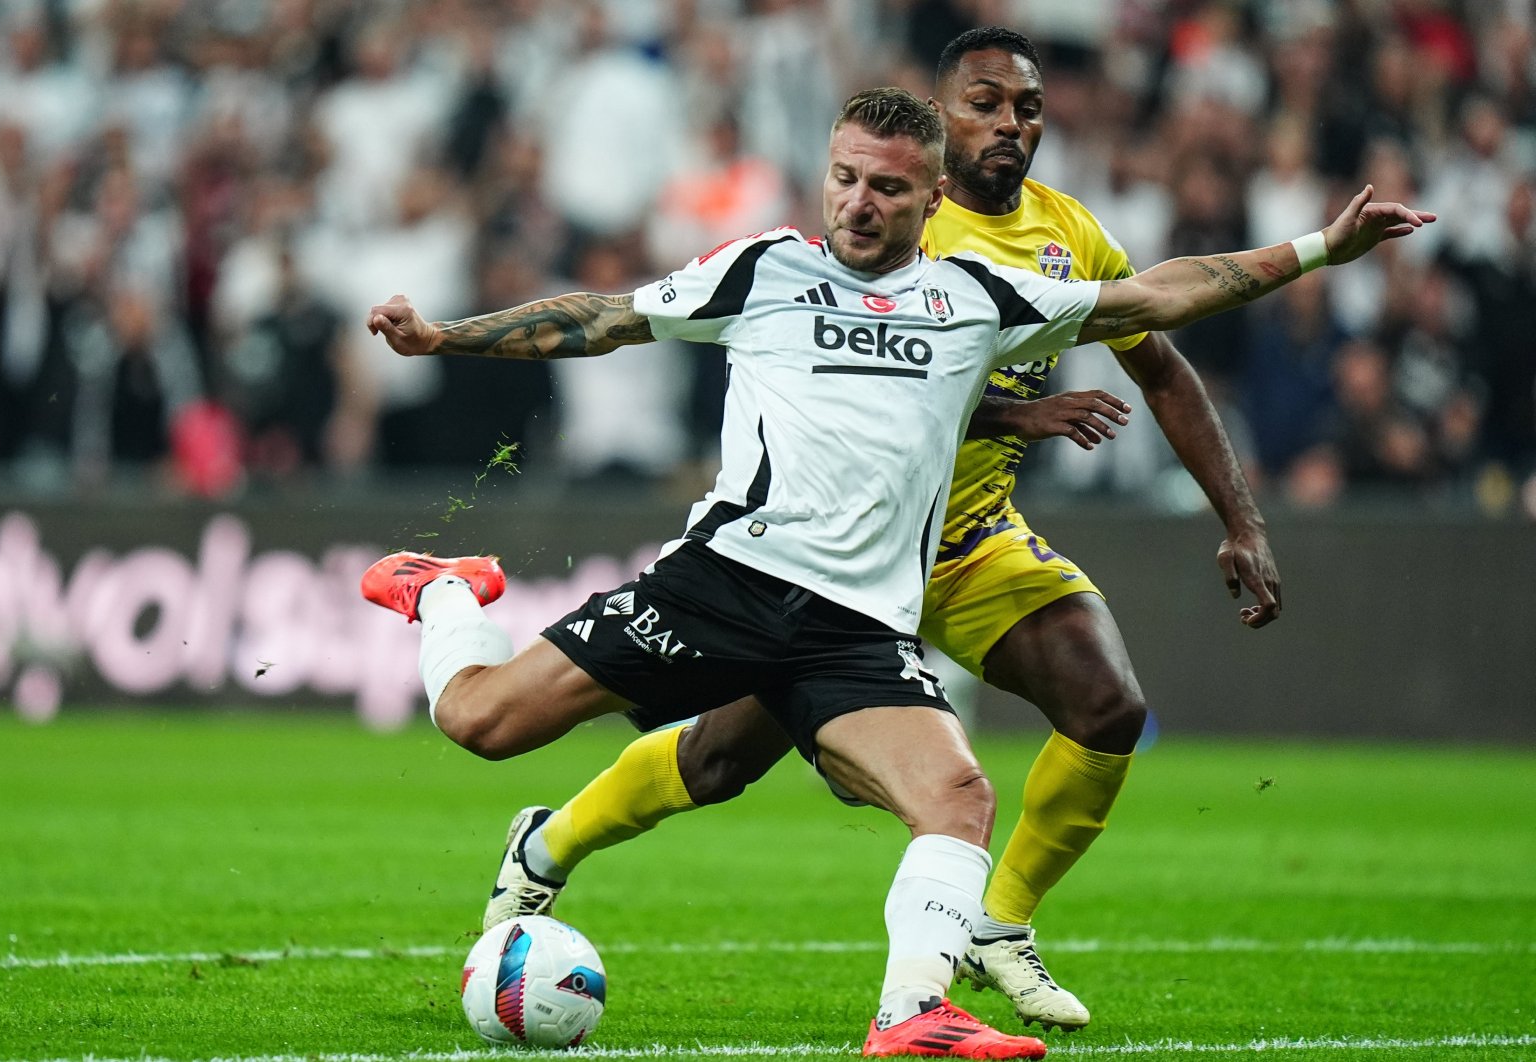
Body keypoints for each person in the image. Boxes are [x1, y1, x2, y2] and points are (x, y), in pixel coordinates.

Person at [362, 87, 1430, 1058]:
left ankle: (912, 1011)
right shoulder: (761, 269)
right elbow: (600, 319)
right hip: (724, 582)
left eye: (885, 187)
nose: (857, 204)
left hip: (858, 628)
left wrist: (1319, 248)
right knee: (479, 725)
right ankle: (443, 588)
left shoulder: (976, 296)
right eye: (843, 178)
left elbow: (1158, 298)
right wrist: (443, 336)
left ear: (929, 199)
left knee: (958, 795)